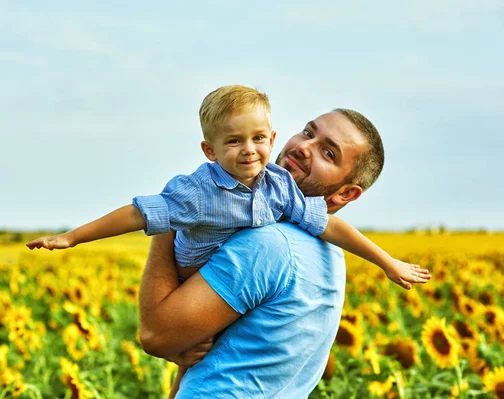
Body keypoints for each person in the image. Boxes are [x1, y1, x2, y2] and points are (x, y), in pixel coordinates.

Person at [137, 107, 429, 397]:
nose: (304, 147)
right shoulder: (330, 253)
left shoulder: (269, 244)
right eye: (308, 132)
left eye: (328, 153)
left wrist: (172, 216)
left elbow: (156, 336)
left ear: (345, 194)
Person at [26, 85, 428, 291]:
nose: (248, 150)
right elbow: (137, 213)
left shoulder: (280, 188)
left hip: (217, 296)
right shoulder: (198, 192)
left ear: (270, 138)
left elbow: (329, 227)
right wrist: (72, 237)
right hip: (189, 285)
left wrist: (386, 262)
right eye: (233, 141)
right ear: (210, 150)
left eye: (257, 139)